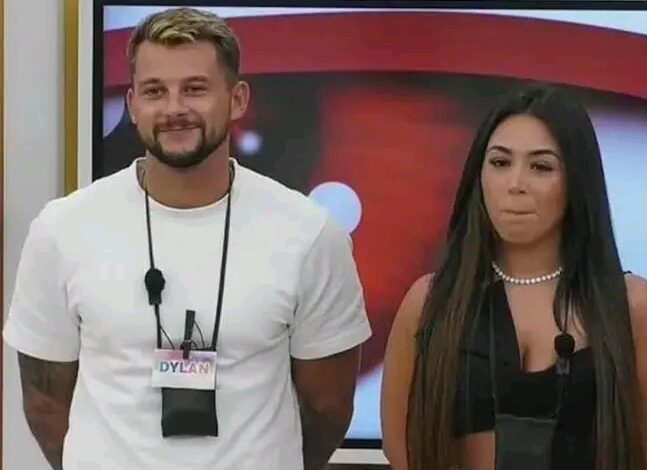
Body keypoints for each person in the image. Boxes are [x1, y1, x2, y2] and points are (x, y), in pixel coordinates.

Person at [4, 7, 371, 470]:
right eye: (155, 91)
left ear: (237, 99)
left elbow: (327, 408)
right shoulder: (62, 229)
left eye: (195, 89)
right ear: (133, 104)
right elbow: (44, 404)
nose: (174, 108)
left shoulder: (310, 233)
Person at [380, 83, 647, 470]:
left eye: (541, 167)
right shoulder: (430, 302)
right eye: (499, 163)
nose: (516, 184)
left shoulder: (633, 306)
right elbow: (401, 444)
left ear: (576, 180)